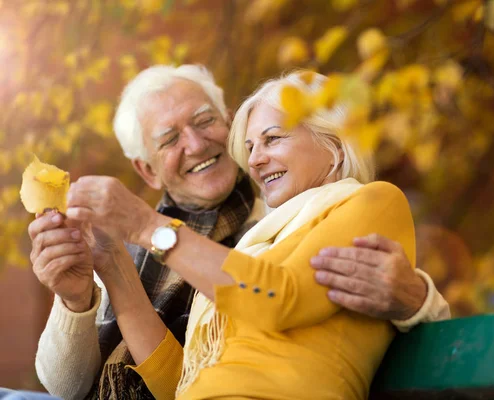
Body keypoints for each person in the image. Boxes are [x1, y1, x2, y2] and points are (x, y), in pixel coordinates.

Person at [30, 65, 449, 399]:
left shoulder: (361, 202)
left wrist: (146, 226)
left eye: (272, 139)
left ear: (334, 146)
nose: (256, 160)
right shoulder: (263, 238)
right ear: (147, 170)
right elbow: (179, 384)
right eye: (250, 147)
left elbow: (279, 297)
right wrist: (110, 263)